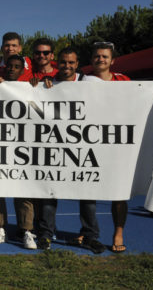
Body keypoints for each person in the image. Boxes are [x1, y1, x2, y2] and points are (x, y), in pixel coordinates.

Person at [85, 41, 153, 254]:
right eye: (97, 56)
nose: (100, 59)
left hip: (118, 144)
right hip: (91, 143)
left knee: (119, 192)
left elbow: (140, 99)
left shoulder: (124, 80)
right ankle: (89, 231)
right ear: (91, 59)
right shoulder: (83, 81)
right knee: (86, 190)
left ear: (112, 61)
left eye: (104, 56)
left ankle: (118, 232)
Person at [35, 47, 103, 253]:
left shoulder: (90, 82)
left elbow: (118, 94)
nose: (67, 66)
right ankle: (46, 234)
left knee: (87, 195)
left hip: (83, 148)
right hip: (54, 147)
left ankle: (90, 235)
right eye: (63, 62)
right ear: (58, 62)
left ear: (77, 64)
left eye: (71, 63)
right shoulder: (48, 83)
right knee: (49, 192)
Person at [0, 55, 38, 250]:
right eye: (10, 66)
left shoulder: (31, 87)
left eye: (17, 67)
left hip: (22, 145)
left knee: (23, 188)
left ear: (22, 69)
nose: (12, 69)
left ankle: (26, 230)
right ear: (4, 67)